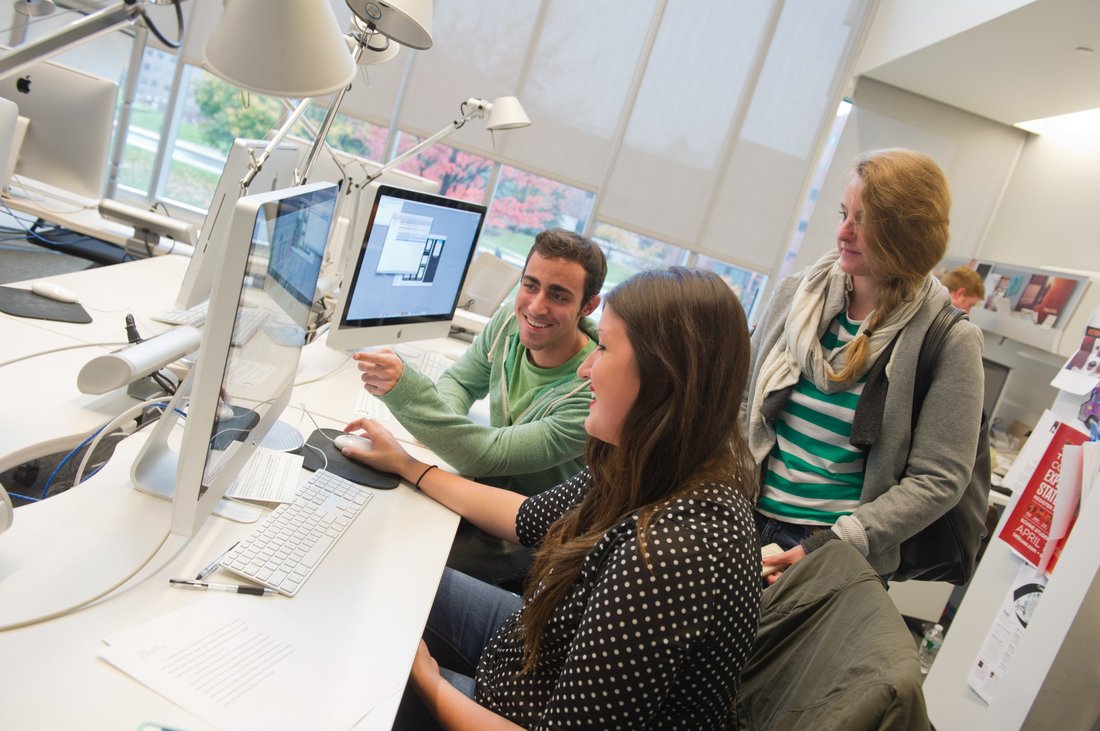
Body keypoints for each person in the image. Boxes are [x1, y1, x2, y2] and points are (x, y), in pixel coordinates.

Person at [341, 268, 761, 729]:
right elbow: (527, 517)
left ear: (662, 377)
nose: (584, 368)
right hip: (536, 654)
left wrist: (425, 680)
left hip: (525, 705)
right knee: (396, 573)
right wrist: (410, 467)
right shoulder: (658, 464)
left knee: (363, 689)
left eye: (602, 348)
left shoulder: (668, 553)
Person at [745, 148, 985, 583]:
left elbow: (939, 478)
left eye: (864, 221)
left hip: (833, 551)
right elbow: (742, 399)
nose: (842, 232)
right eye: (844, 213)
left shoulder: (949, 340)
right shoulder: (798, 295)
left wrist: (832, 546)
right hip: (743, 517)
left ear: (907, 235)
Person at [354, 228, 606, 590]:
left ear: (588, 306)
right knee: (382, 523)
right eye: (530, 285)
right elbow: (459, 383)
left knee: (404, 563)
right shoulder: (509, 321)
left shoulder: (589, 391)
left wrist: (406, 392)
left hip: (530, 536)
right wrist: (447, 431)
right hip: (479, 492)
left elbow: (485, 456)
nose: (536, 307)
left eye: (559, 295)